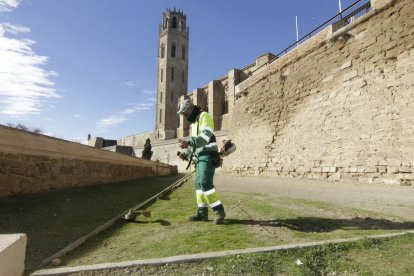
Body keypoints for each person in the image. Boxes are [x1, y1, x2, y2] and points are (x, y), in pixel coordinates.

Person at [177, 99, 226, 224]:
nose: (184, 116)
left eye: (184, 113)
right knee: (198, 186)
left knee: (205, 183)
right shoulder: (194, 123)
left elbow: (204, 137)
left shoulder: (204, 116)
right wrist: (186, 153)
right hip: (199, 158)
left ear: (190, 108)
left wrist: (188, 142)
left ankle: (219, 211)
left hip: (208, 156)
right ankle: (202, 213)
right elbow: (195, 145)